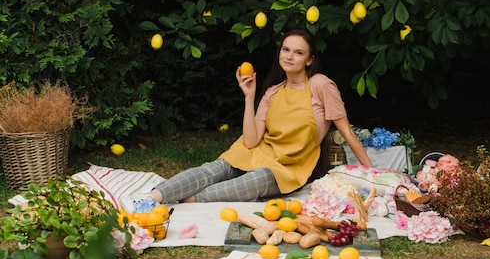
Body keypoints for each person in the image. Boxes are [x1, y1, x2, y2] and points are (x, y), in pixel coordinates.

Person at [122, 29, 373, 212]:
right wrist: (249, 97)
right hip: (258, 151)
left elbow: (348, 133)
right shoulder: (273, 91)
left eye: (298, 52)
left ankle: (188, 200)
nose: (289, 56)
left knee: (255, 180)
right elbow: (251, 141)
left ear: (309, 60)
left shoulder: (320, 85)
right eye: (285, 49)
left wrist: (372, 177)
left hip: (290, 167)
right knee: (215, 168)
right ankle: (149, 198)